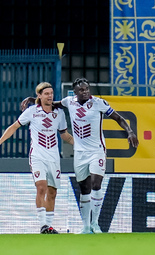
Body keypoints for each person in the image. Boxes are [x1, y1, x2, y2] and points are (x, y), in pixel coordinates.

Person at [58, 78, 138, 234]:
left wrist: (130, 132)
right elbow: (54, 104)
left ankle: (95, 223)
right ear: (75, 92)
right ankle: (86, 226)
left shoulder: (98, 103)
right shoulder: (69, 101)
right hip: (80, 153)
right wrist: (36, 100)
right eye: (81, 90)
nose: (85, 91)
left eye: (87, 88)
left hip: (97, 150)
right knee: (84, 188)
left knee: (96, 184)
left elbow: (119, 118)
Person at [0, 82, 74, 234]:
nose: (50, 96)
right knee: (41, 187)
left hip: (54, 157)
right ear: (39, 96)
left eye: (51, 93)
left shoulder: (58, 113)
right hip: (37, 156)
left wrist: (79, 145)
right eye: (46, 93)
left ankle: (48, 225)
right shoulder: (32, 111)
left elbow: (64, 135)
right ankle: (43, 226)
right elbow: (14, 126)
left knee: (52, 192)